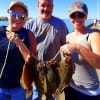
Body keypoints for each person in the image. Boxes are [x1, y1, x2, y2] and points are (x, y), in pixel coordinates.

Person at [24, 0, 69, 99]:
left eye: (49, 6)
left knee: (52, 96)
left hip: (54, 72)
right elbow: (24, 48)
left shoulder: (60, 24)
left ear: (53, 7)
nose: (46, 8)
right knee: (36, 95)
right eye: (43, 5)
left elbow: (66, 47)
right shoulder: (29, 24)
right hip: (36, 71)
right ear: (38, 6)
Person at [60, 1, 100, 100]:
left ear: (86, 16)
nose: (77, 18)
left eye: (80, 15)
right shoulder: (68, 36)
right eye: (73, 15)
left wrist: (78, 48)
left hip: (88, 92)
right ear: (70, 18)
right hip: (70, 87)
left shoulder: (93, 35)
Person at [0, 1, 36, 100]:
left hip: (21, 88)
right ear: (8, 14)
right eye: (13, 14)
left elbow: (32, 62)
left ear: (26, 19)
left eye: (22, 16)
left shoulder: (29, 35)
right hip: (1, 87)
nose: (17, 18)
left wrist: (20, 43)